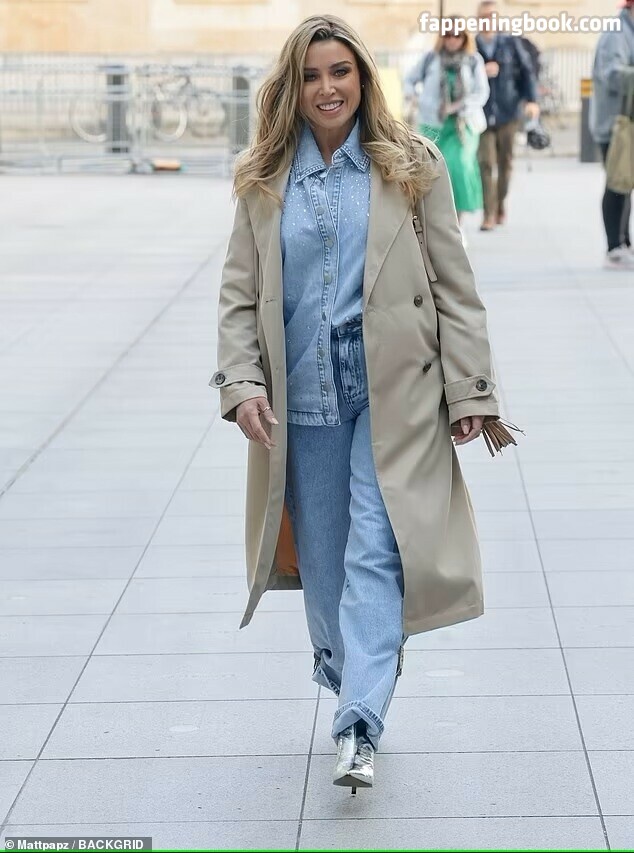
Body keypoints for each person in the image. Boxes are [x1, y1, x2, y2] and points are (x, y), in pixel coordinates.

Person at [211, 13, 500, 792]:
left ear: (364, 79)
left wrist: (470, 387)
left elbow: (455, 287)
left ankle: (359, 723)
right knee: (326, 564)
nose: (327, 87)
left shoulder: (412, 165)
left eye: (340, 71)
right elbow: (239, 295)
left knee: (375, 549)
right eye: (311, 75)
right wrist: (242, 383)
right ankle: (351, 676)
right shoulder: (263, 178)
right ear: (292, 87)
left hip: (394, 391)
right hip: (304, 396)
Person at [403, 16, 489, 230]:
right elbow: (409, 80)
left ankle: (457, 224)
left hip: (463, 125)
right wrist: (414, 96)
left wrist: (458, 106)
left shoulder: (473, 60)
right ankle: (439, 223)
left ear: (464, 37)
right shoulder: (431, 58)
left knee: (458, 165)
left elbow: (482, 92)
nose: (452, 39)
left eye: (457, 35)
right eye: (447, 35)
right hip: (434, 124)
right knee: (434, 173)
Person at [475, 0, 540, 230]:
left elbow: (527, 72)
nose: (487, 21)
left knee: (506, 162)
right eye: (484, 17)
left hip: (508, 110)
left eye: (491, 16)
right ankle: (488, 213)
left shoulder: (510, 43)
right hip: (482, 114)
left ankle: (500, 204)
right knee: (485, 163)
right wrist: (480, 72)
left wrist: (532, 100)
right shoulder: (472, 46)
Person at [589, 0, 634, 270]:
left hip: (625, 124)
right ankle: (614, 248)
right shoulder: (616, 33)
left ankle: (624, 243)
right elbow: (612, 74)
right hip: (614, 126)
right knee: (617, 184)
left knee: (625, 184)